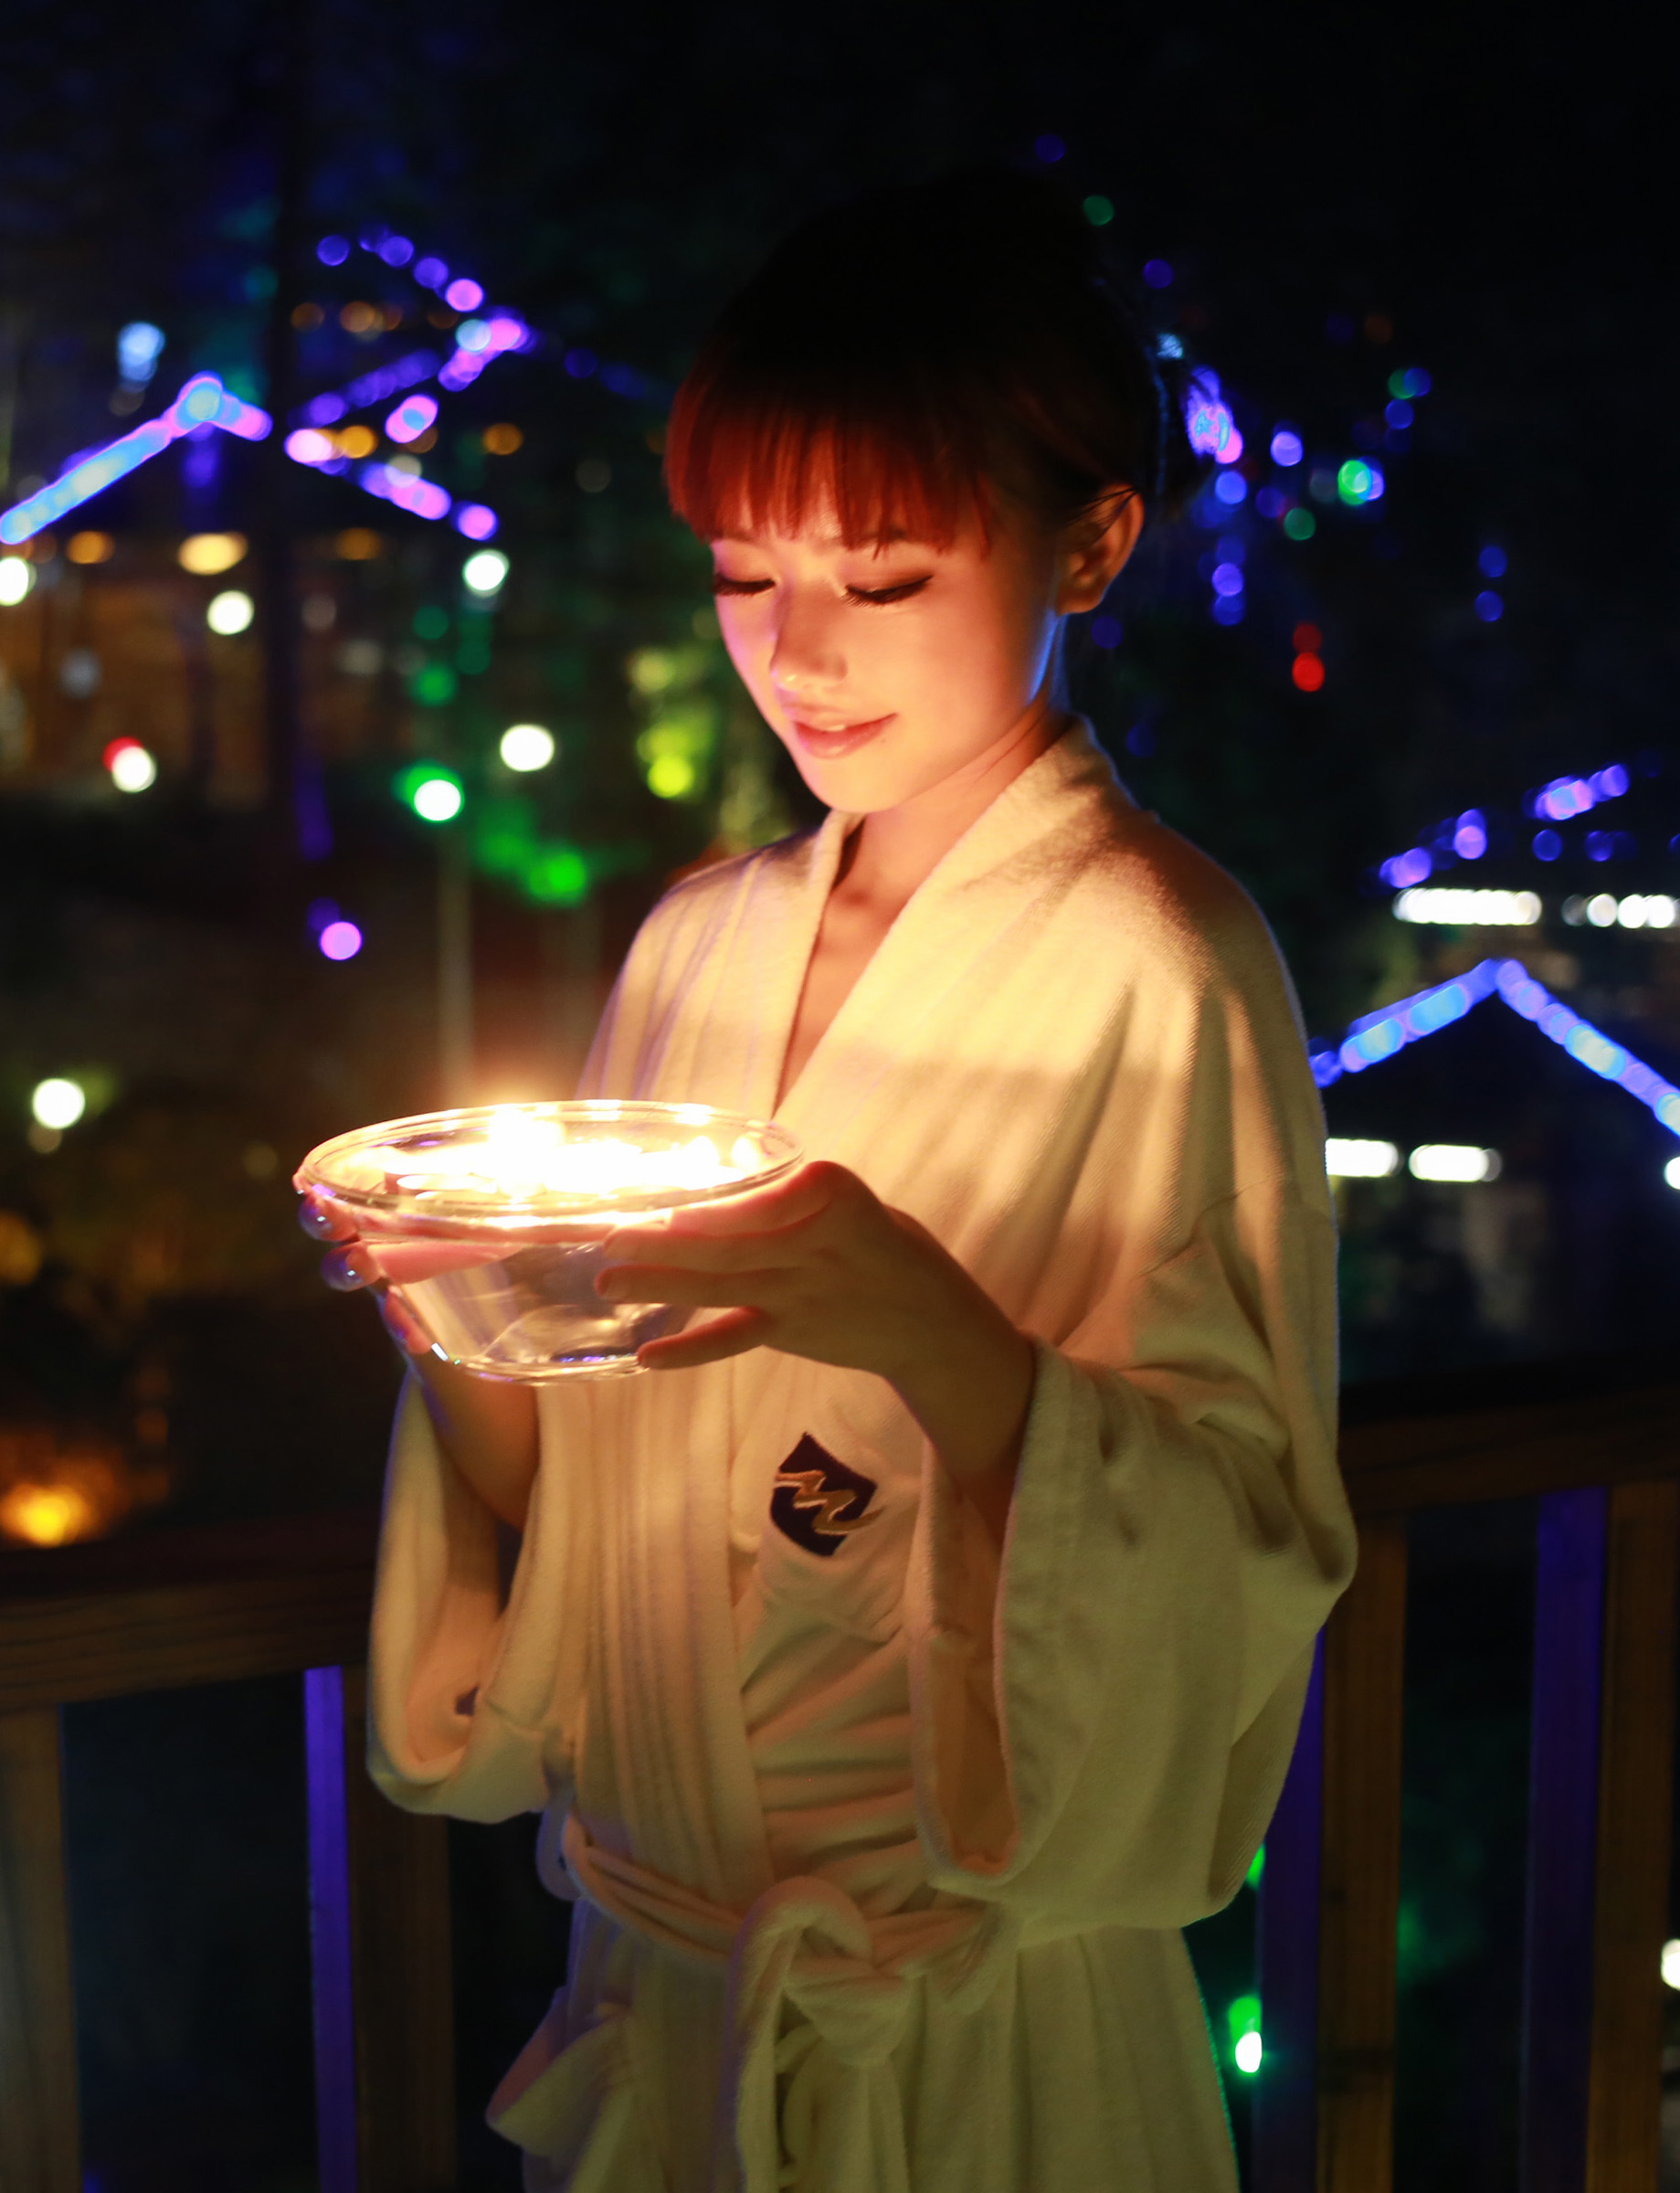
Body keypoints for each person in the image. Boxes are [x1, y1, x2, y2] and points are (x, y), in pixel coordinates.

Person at [310, 171, 1354, 2191]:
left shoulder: (1162, 960)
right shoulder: (695, 950)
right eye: (741, 572)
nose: (797, 653)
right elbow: (571, 1516)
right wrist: (448, 1310)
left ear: (1092, 542)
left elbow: (1239, 1551)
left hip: (971, 2031)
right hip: (666, 1983)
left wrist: (922, 1327)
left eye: (882, 578)